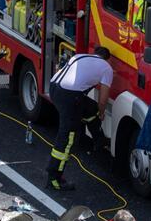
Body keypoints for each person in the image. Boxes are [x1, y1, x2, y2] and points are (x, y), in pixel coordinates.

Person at [45, 46, 113, 191]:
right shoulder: (107, 67)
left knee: (90, 109)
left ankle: (99, 141)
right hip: (70, 97)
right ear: (108, 59)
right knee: (68, 138)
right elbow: (103, 100)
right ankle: (54, 178)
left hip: (54, 88)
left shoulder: (80, 56)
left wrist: (96, 111)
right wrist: (102, 113)